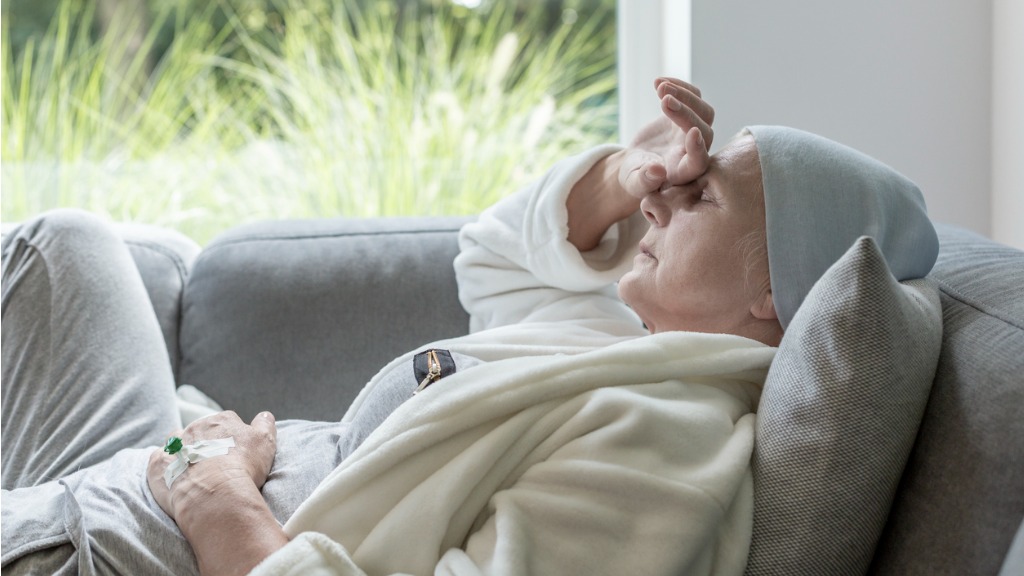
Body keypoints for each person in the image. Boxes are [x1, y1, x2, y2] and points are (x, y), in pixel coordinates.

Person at [0, 78, 938, 575]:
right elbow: (491, 255)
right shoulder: (629, 356)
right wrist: (621, 174)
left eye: (700, 198)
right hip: (161, 475)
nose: (662, 204)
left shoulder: (662, 449)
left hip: (118, 546)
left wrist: (219, 500)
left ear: (775, 288)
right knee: (65, 248)